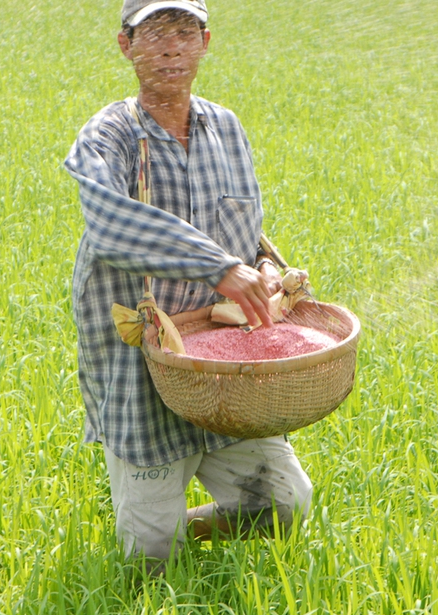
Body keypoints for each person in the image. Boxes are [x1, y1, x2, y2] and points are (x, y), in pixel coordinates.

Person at [63, 0, 312, 573]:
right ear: (126, 47)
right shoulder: (111, 134)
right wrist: (218, 267)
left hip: (226, 376)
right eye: (153, 34)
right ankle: (157, 535)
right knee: (151, 558)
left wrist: (264, 267)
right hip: (144, 367)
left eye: (182, 32)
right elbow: (109, 221)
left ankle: (183, 527)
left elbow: (242, 228)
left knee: (286, 504)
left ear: (204, 41)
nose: (170, 47)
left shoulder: (226, 127)